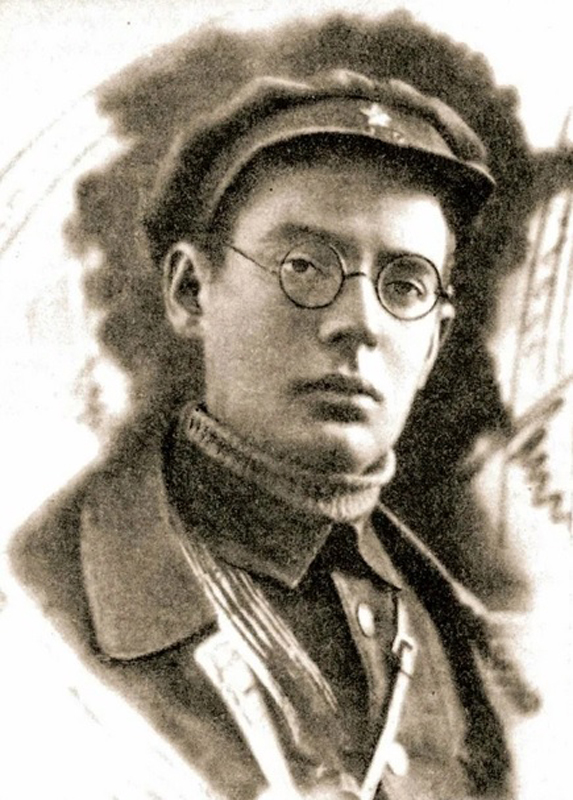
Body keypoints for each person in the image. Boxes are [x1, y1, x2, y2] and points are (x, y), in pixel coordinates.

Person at [9, 69, 537, 800]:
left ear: (433, 346)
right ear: (190, 291)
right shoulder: (39, 606)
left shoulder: (483, 663)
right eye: (305, 266)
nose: (360, 323)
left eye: (405, 286)